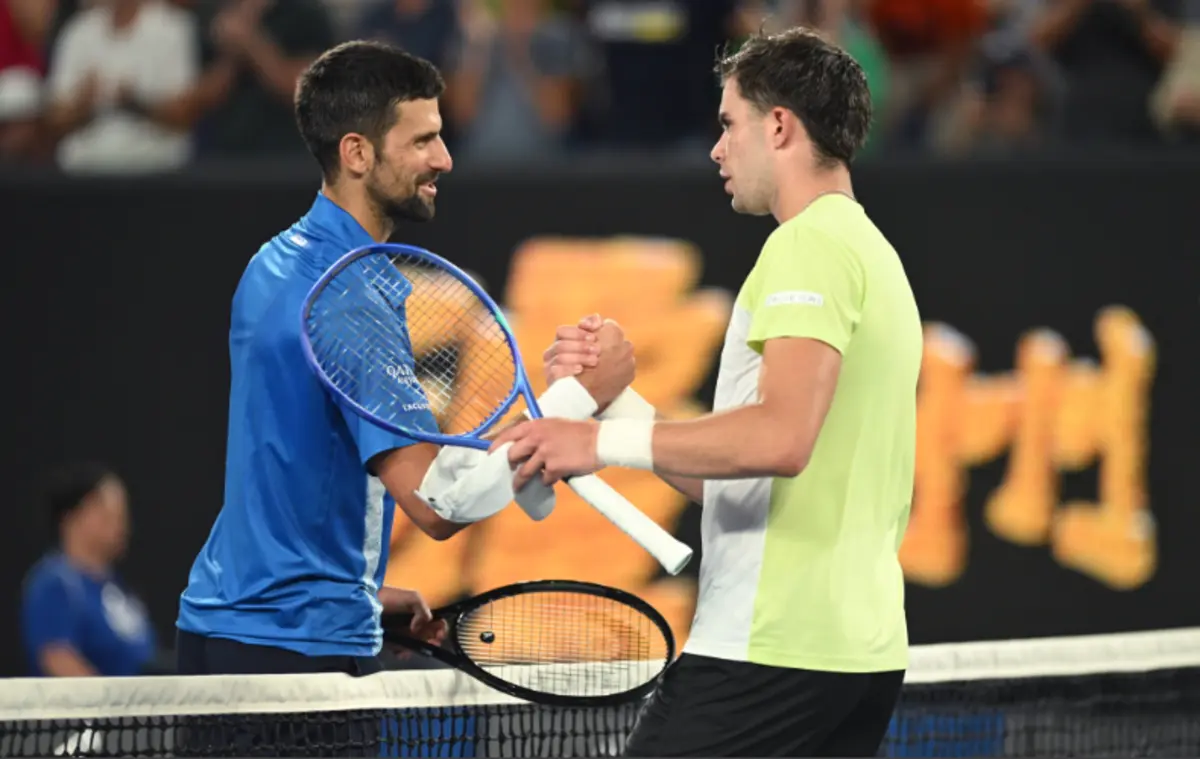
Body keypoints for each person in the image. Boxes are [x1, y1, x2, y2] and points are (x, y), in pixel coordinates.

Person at [497, 27, 923, 757]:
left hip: (769, 650)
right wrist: (617, 402)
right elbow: (750, 475)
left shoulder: (807, 244)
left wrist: (595, 441)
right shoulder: (872, 253)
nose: (716, 149)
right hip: (857, 657)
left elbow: (780, 439)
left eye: (729, 124)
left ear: (780, 125)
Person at [175, 40, 632, 681]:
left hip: (230, 628)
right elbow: (438, 503)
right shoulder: (348, 296)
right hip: (294, 654)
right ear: (357, 152)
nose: (443, 158)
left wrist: (363, 593)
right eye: (422, 142)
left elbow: (290, 468)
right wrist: (580, 401)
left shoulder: (276, 260)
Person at [21, 462, 158, 677]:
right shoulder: (55, 584)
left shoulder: (118, 589)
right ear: (71, 518)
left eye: (122, 516)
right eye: (107, 515)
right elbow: (58, 657)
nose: (120, 526)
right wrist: (113, 706)